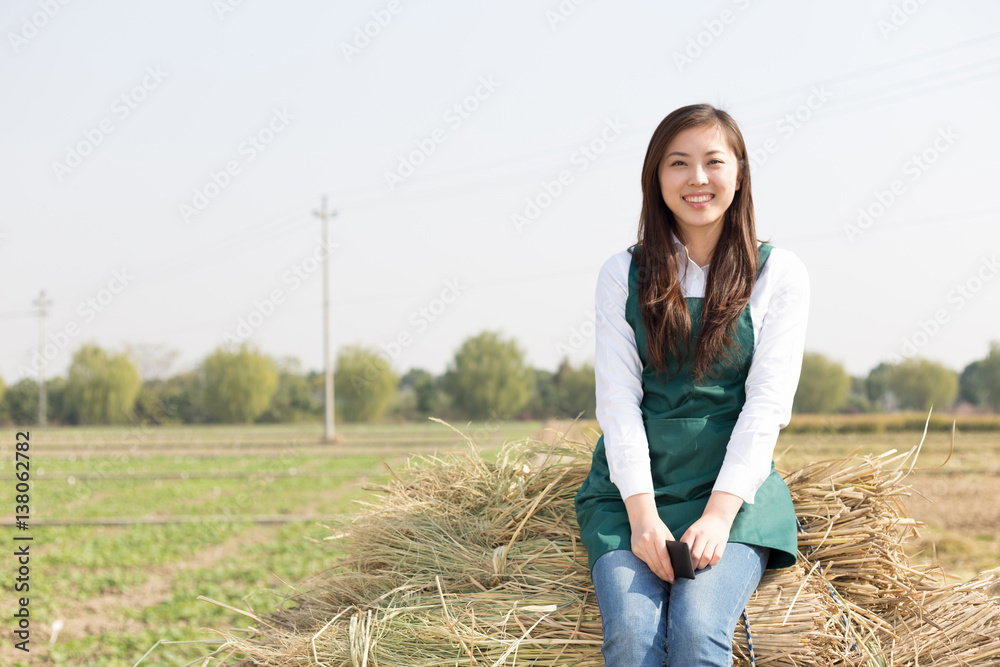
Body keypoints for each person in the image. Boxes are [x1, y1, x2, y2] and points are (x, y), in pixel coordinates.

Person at [574, 103, 810, 666]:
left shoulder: (779, 273)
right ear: (656, 178)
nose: (697, 179)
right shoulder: (621, 273)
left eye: (713, 161)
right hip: (630, 492)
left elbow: (767, 407)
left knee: (698, 629)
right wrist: (642, 517)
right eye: (678, 163)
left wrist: (720, 514)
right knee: (632, 637)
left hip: (733, 490)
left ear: (740, 173)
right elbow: (619, 404)